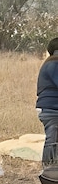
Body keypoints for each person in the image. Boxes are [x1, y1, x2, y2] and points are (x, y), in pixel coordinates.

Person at [36, 37, 58, 166]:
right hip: (51, 109)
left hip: (50, 108)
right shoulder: (54, 64)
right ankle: (48, 169)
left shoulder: (51, 62)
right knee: (53, 139)